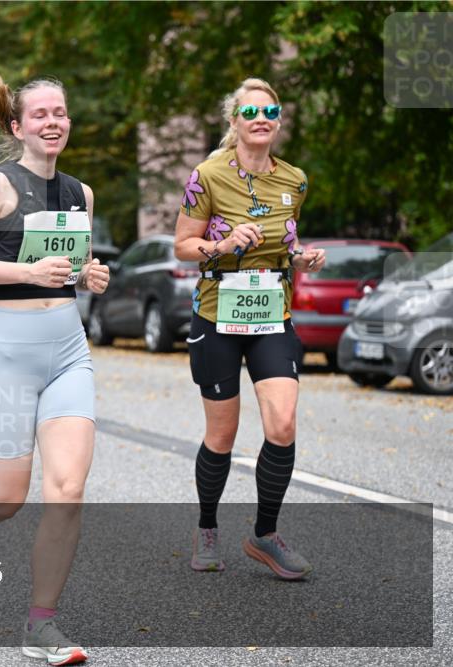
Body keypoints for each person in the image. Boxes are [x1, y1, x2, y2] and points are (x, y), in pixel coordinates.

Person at [0, 72, 109, 666]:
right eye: (39, 114)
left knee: (66, 489)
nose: (52, 122)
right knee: (8, 498)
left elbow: (71, 264)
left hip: (67, 352)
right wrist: (24, 274)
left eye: (59, 112)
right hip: (6, 355)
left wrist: (89, 275)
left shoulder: (81, 193)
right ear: (17, 127)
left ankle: (41, 625)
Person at [173, 78, 324, 580]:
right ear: (234, 121)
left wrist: (304, 259)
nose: (262, 117)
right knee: (223, 432)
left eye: (271, 110)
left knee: (282, 424)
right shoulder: (208, 176)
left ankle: (264, 533)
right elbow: (183, 247)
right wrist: (223, 243)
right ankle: (208, 526)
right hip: (218, 314)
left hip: (270, 315)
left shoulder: (295, 180)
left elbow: (286, 245)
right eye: (250, 110)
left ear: (279, 121)